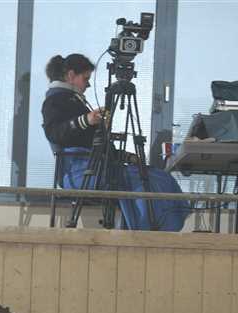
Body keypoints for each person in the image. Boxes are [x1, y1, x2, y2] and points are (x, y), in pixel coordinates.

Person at [42, 53, 189, 231]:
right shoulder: (55, 100)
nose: (88, 84)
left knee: (156, 176)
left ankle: (146, 229)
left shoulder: (72, 101)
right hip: (78, 171)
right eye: (85, 78)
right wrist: (86, 120)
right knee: (148, 181)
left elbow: (96, 145)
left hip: (93, 168)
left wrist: (126, 156)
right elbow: (54, 133)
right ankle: (148, 230)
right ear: (71, 75)